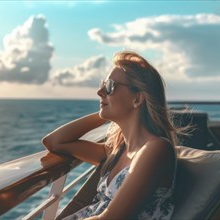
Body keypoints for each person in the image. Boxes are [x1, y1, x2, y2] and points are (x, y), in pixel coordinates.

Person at [42, 51, 187, 220]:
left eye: (110, 86)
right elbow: (54, 142)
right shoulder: (116, 151)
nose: (99, 91)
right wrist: (105, 108)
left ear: (137, 99)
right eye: (103, 84)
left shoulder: (156, 149)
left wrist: (108, 107)